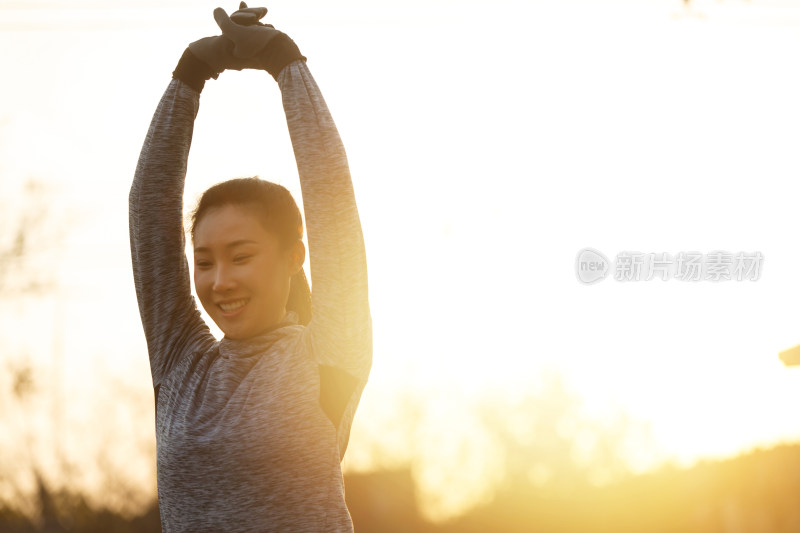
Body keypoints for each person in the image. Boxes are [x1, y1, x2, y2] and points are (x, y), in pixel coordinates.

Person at [128, 4, 373, 531]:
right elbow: (149, 206)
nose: (220, 281)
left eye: (241, 257)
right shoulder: (179, 366)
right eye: (205, 261)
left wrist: (287, 63)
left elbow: (332, 202)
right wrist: (190, 73)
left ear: (294, 258)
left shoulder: (327, 352)